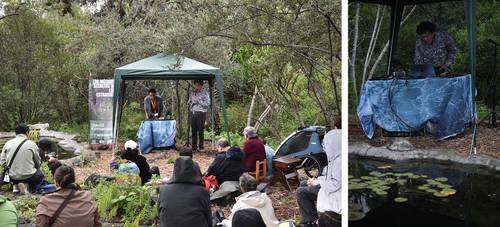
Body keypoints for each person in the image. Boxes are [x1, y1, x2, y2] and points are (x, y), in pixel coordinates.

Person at [295, 129, 341, 227]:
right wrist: (316, 181)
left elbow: (334, 185)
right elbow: (330, 178)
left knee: (301, 192)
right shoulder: (336, 157)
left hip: (336, 193)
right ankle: (309, 216)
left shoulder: (339, 161)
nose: (325, 147)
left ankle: (311, 221)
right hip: (332, 187)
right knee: (304, 183)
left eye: (327, 144)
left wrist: (317, 183)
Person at [36, 166, 101, 227]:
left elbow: (41, 224)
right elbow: (97, 223)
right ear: (74, 180)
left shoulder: (46, 201)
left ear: (56, 183)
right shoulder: (88, 196)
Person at [158, 157, 211, 227]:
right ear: (194, 171)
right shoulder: (202, 192)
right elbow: (208, 217)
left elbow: (160, 213)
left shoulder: (164, 190)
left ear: (175, 171)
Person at [1, 123, 44, 194]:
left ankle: (15, 186)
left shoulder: (7, 143)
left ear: (15, 133)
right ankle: (26, 186)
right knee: (40, 174)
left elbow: (2, 161)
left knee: (12, 174)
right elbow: (38, 163)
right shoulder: (32, 144)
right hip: (29, 177)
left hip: (12, 177)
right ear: (27, 132)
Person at [188, 80, 210, 151]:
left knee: (200, 130)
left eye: (198, 85)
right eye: (195, 85)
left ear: (201, 86)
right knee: (193, 131)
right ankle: (194, 147)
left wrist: (198, 101)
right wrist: (191, 101)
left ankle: (201, 147)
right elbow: (188, 103)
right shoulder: (192, 93)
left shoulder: (205, 93)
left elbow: (207, 104)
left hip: (201, 113)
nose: (196, 86)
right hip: (193, 112)